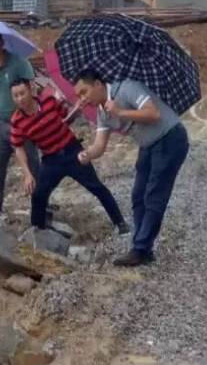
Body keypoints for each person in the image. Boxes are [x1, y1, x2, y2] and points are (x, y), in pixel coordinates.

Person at [74, 69, 190, 267]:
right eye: (79, 95)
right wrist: (87, 154)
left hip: (170, 137)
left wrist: (120, 112)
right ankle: (143, 247)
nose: (82, 98)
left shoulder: (127, 88)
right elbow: (100, 146)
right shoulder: (102, 112)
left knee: (154, 195)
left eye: (84, 92)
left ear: (98, 85)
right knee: (138, 196)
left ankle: (140, 249)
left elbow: (153, 113)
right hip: (148, 145)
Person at [10, 79, 128, 234]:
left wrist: (76, 108)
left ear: (30, 90)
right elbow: (18, 147)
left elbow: (67, 117)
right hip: (50, 160)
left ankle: (120, 222)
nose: (20, 99)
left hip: (72, 151)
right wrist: (27, 174)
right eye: (15, 96)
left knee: (96, 187)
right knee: (39, 195)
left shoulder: (49, 101)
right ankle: (37, 232)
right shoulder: (16, 120)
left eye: (22, 93)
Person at [0, 33, 40, 222]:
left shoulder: (18, 62)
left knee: (32, 166)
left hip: (23, 122)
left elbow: (33, 89)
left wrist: (31, 116)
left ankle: (40, 205)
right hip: (1, 123)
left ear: (1, 43)